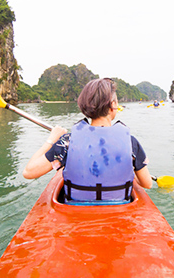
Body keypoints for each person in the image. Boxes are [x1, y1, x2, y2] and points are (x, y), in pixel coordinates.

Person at [23, 78, 153, 204]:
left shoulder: (67, 142)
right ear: (113, 104)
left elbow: (29, 172)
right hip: (119, 210)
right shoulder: (130, 143)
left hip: (75, 212)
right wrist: (129, 168)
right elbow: (147, 183)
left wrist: (52, 139)